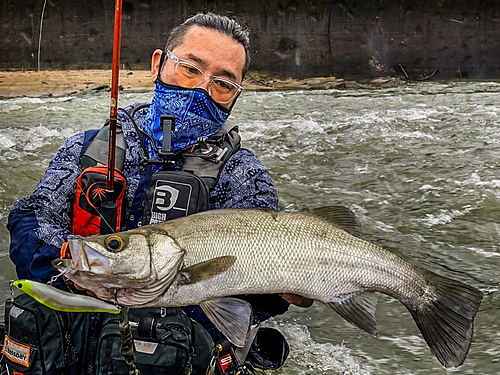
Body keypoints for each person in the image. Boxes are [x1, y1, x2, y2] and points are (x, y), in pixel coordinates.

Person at [5, 12, 312, 375]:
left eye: (223, 84)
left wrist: (280, 293)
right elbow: (30, 220)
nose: (202, 89)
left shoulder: (244, 174)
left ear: (235, 96)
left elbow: (255, 284)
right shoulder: (89, 148)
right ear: (158, 65)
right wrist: (90, 270)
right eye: (190, 68)